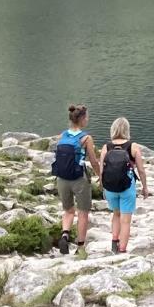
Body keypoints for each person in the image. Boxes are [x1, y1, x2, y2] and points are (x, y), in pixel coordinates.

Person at [51, 105, 98, 254]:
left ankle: (65, 234)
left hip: (62, 178)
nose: (88, 119)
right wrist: (101, 176)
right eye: (87, 117)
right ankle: (80, 246)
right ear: (82, 119)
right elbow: (94, 161)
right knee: (83, 212)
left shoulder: (62, 136)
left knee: (68, 210)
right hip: (79, 179)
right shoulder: (86, 138)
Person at [100, 118, 146, 254]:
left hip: (110, 188)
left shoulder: (106, 147)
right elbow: (141, 170)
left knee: (115, 214)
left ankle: (114, 241)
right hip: (127, 187)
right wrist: (145, 187)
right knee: (125, 220)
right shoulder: (133, 146)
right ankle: (122, 249)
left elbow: (102, 170)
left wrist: (103, 186)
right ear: (127, 130)